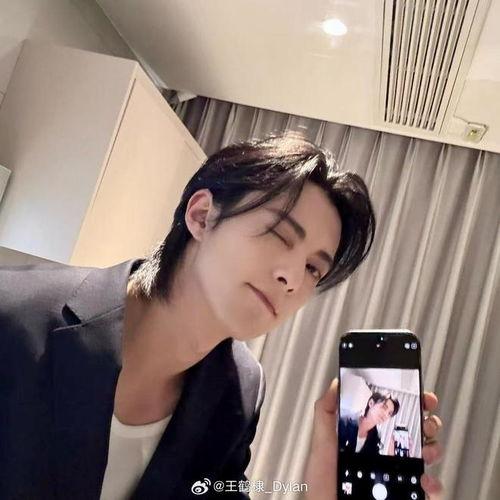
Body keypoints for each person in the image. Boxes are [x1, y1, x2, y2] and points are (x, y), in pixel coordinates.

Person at [0, 132, 444, 500]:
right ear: (201, 216)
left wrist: (321, 485)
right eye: (278, 233)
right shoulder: (16, 313)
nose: (292, 278)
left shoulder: (241, 388)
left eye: (313, 268)